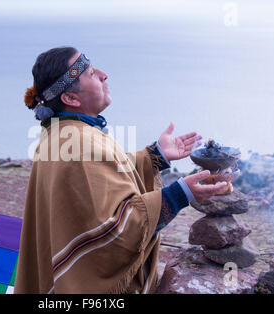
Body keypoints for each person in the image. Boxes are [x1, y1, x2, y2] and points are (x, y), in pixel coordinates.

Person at [15, 47, 227, 294]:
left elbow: (99, 177)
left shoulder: (60, 134)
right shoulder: (81, 143)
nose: (105, 75)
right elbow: (116, 232)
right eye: (92, 73)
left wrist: (155, 157)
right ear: (71, 99)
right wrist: (180, 194)